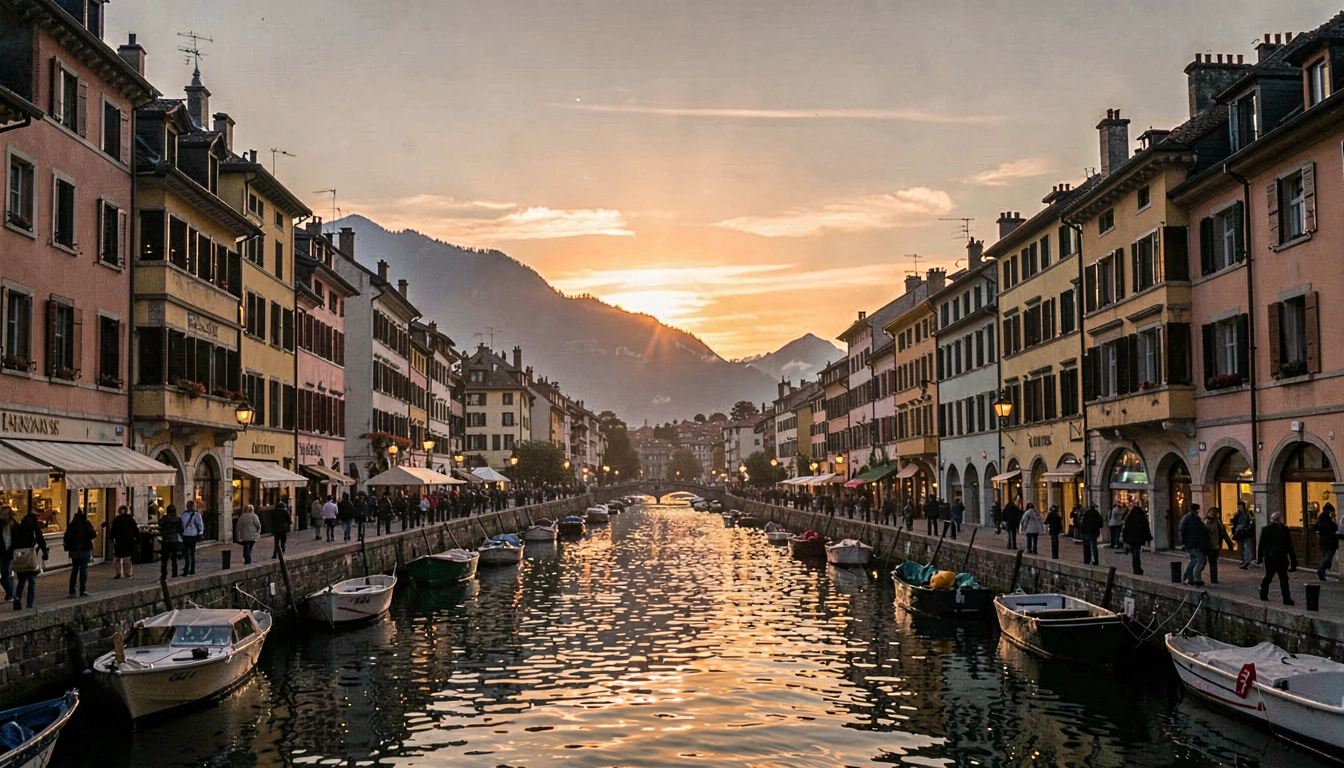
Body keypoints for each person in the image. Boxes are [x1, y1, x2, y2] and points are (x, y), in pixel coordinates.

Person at [1256, 512, 1297, 605]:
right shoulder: (1284, 530)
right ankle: (1286, 599)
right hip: (1281, 557)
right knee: (1283, 578)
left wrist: (1259, 558)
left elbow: (1261, 545)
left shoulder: (1266, 529)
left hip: (1269, 557)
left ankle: (1263, 594)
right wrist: (1293, 561)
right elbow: (1290, 546)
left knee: (1269, 576)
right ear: (1279, 519)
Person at [10, 512, 48, 610]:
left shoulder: (19, 529)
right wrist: (45, 553)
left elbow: (13, 543)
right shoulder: (34, 529)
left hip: (20, 557)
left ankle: (17, 601)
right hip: (31, 558)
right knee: (32, 582)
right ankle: (29, 604)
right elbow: (41, 541)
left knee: (21, 581)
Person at [62, 507, 96, 598]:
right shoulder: (86, 524)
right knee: (83, 569)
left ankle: (72, 589)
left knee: (75, 569)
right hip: (85, 549)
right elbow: (92, 535)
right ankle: (82, 589)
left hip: (74, 551)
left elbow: (67, 537)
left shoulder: (72, 525)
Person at [1178, 504, 1209, 586]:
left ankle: (1190, 578)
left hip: (1197, 543)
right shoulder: (1188, 519)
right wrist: (1184, 543)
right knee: (1196, 560)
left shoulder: (1195, 519)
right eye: (1197, 510)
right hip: (1192, 543)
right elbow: (1181, 531)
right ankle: (1189, 578)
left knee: (1197, 560)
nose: (1198, 511)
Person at [1203, 507, 1234, 585]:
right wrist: (1230, 544)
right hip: (1212, 545)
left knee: (1211, 562)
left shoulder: (1207, 521)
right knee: (1212, 562)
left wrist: (1229, 544)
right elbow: (1224, 534)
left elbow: (1223, 534)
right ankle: (1213, 579)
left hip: (1211, 545)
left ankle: (1213, 579)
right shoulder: (1215, 522)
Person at [110, 505, 138, 579]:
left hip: (118, 540)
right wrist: (138, 538)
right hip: (128, 540)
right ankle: (127, 573)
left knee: (118, 557)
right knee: (127, 557)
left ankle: (118, 573)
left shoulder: (116, 519)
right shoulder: (130, 518)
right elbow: (135, 529)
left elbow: (113, 530)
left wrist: (112, 538)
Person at [1121, 506, 1152, 575]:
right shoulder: (1142, 518)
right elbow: (1146, 528)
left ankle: (1136, 568)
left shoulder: (1129, 517)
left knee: (1134, 554)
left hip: (1131, 539)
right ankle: (1138, 567)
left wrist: (1124, 539)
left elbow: (1126, 529)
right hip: (1139, 539)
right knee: (1137, 553)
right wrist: (1148, 538)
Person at [158, 504, 184, 579]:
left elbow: (159, 525)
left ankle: (163, 574)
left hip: (165, 540)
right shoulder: (178, 519)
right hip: (174, 540)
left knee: (164, 559)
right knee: (174, 558)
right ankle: (174, 574)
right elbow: (181, 529)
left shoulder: (163, 519)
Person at [180, 500, 204, 576]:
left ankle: (186, 569)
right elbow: (200, 525)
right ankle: (192, 569)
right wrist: (200, 533)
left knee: (187, 553)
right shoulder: (196, 515)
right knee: (192, 553)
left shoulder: (184, 515)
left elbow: (181, 524)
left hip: (185, 535)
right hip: (193, 535)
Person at [1316, 503, 1338, 581]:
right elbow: (1333, 527)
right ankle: (1321, 570)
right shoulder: (1324, 519)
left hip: (1326, 540)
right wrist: (1333, 520)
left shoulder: (1322, 518)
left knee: (1327, 556)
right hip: (1327, 541)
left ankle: (1322, 571)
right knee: (1327, 557)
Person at [1231, 500, 1256, 569]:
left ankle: (1246, 561)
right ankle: (1245, 561)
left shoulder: (1244, 514)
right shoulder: (1242, 513)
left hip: (1243, 533)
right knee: (1244, 547)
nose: (1239, 507)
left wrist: (1236, 531)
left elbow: (1241, 524)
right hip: (1243, 533)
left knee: (1245, 547)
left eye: (1240, 506)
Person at [0, 507, 14, 602]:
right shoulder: (1, 524)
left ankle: (10, 593)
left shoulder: (13, 524)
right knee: (4, 574)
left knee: (6, 574)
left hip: (9, 551)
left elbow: (16, 538)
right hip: (2, 551)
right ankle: (10, 592)